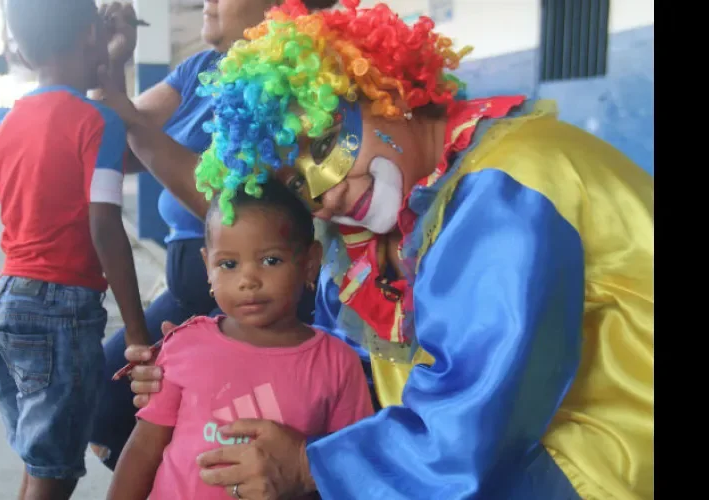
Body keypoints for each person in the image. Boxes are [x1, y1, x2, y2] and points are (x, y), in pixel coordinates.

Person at [104, 0, 654, 498]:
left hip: (604, 466)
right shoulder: (383, 227)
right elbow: (342, 365)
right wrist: (200, 370)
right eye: (298, 184)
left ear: (385, 88)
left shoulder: (512, 186)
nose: (322, 193)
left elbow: (472, 433)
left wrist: (311, 467)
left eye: (324, 146)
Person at [88, 0, 334, 469]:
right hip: (191, 291)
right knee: (102, 399)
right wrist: (113, 61)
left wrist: (132, 121)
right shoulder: (199, 70)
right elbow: (116, 145)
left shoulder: (298, 77)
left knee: (139, 412)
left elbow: (234, 210)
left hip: (253, 293)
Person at [0, 1, 151, 498]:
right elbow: (105, 228)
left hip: (6, 309)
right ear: (93, 35)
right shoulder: (97, 122)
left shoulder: (5, 127)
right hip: (61, 316)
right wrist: (137, 332)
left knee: (41, 460)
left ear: (21, 51)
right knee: (54, 474)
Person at [106, 180, 374, 500]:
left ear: (310, 261)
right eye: (228, 264)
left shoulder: (337, 364)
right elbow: (144, 449)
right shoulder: (185, 344)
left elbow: (354, 468)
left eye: (270, 260)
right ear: (207, 266)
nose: (248, 280)